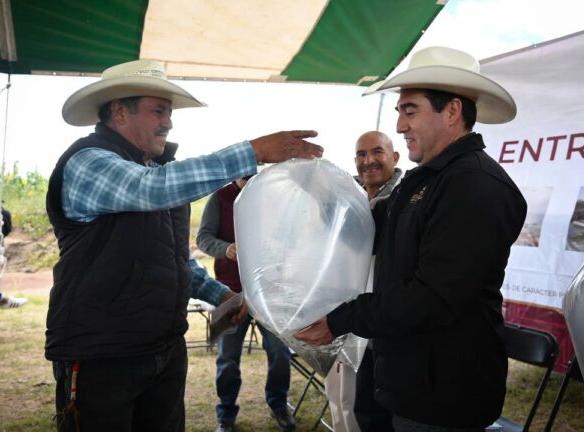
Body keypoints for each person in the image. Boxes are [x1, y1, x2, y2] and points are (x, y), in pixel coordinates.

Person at [46, 59, 322, 432]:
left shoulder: (156, 170)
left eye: (170, 112)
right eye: (158, 110)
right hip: (103, 352)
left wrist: (220, 294)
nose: (169, 121)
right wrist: (252, 151)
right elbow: (150, 190)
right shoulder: (89, 161)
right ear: (118, 112)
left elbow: (171, 257)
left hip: (162, 347)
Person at [295, 46, 527, 431]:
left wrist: (341, 319)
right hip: (406, 378)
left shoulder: (474, 186)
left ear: (452, 111)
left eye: (409, 110)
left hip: (444, 394)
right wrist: (315, 192)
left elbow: (433, 297)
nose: (400, 126)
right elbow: (365, 234)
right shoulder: (424, 181)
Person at [197, 175, 295, 432]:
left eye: (252, 172)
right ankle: (226, 413)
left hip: (269, 292)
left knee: (281, 352)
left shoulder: (270, 197)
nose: (248, 177)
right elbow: (203, 239)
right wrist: (226, 249)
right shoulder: (218, 198)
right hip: (228, 291)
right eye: (242, 173)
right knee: (227, 359)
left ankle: (279, 404)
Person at [324, 130, 401, 432]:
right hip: (347, 315)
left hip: (383, 321)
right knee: (348, 400)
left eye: (377, 152)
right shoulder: (347, 199)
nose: (368, 161)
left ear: (395, 157)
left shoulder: (404, 198)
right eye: (360, 154)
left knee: (374, 409)